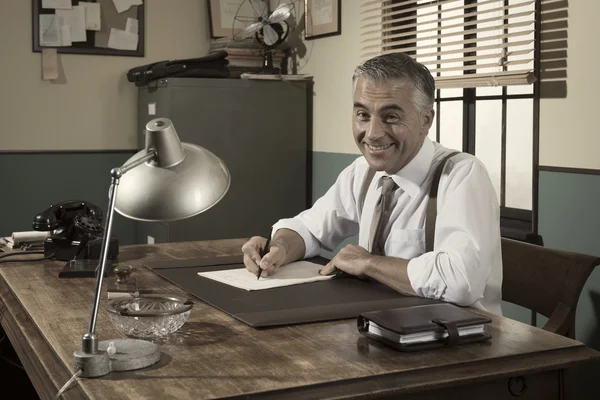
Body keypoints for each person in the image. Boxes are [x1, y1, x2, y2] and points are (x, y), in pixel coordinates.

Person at [241, 52, 503, 316]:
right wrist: (280, 248)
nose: (373, 133)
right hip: (379, 329)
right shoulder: (363, 171)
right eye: (363, 115)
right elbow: (311, 227)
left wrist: (368, 263)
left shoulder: (462, 175)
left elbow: (461, 281)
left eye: (390, 117)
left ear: (426, 120)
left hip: (457, 343)